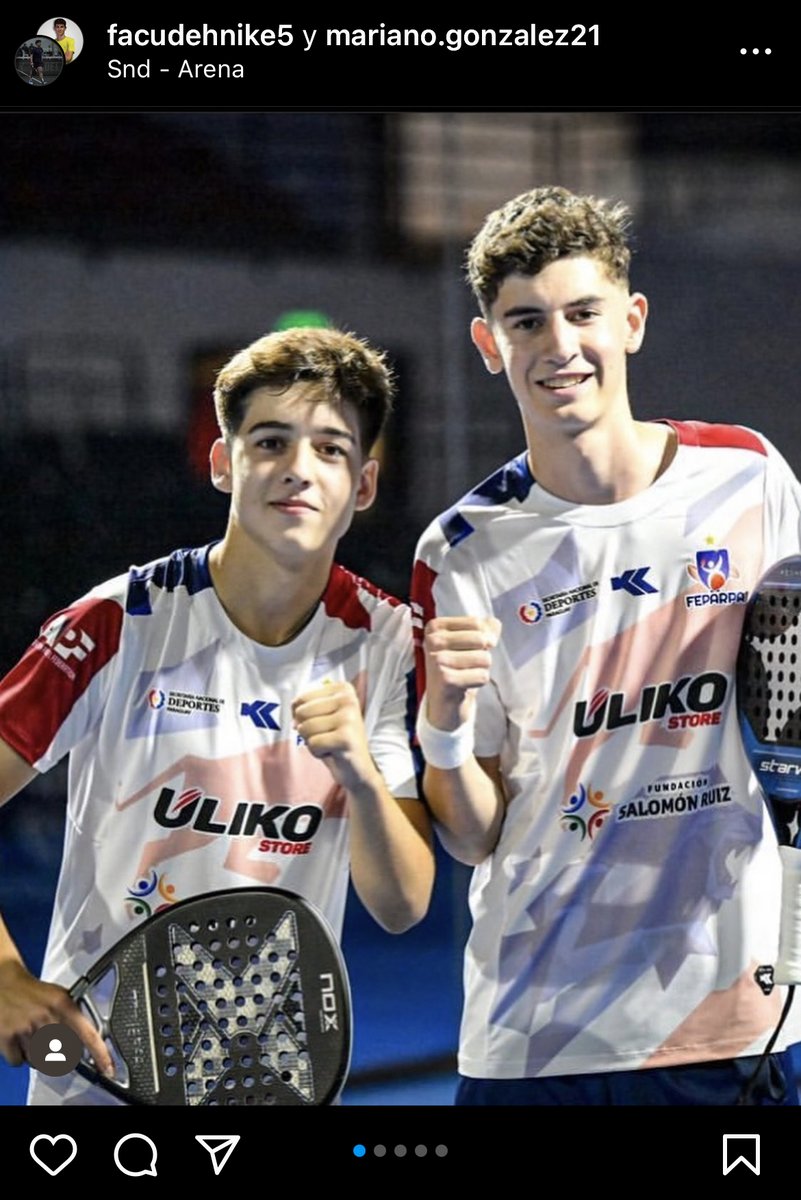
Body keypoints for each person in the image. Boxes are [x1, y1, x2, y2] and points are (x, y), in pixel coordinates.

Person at [411, 185, 801, 1106]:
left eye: (582, 313)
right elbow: (470, 836)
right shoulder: (460, 551)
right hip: (536, 1038)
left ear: (631, 321)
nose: (559, 346)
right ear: (488, 344)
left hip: (734, 1024)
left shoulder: (747, 477)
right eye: (526, 322)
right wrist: (444, 727)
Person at [0, 325, 434, 1104]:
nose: (298, 468)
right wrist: (2, 974)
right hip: (96, 1090)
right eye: (270, 442)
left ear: (364, 484)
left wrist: (360, 777)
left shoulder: (392, 643)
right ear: (222, 462)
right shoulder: (118, 622)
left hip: (277, 1083)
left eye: (330, 449)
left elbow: (402, 905)